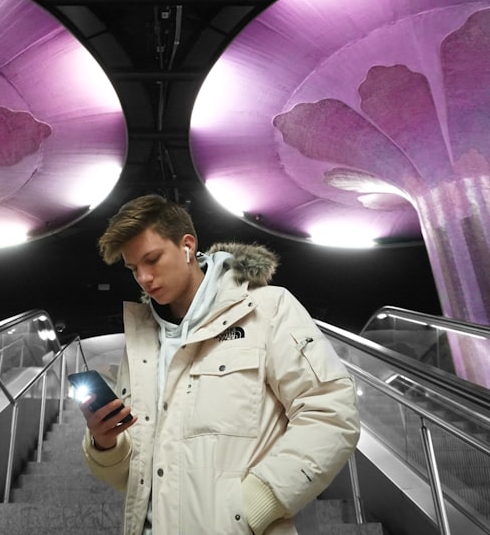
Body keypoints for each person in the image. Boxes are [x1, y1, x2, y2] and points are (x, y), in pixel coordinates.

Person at [79, 194, 360, 535]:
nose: (144, 278)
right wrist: (106, 444)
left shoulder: (267, 309)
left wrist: (258, 502)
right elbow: (133, 476)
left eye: (152, 259)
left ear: (187, 246)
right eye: (134, 268)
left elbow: (332, 410)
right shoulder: (142, 342)